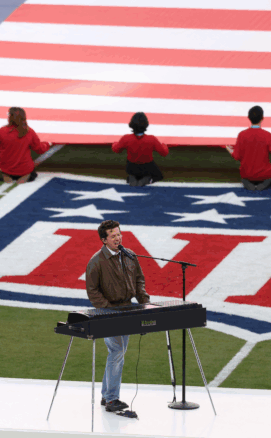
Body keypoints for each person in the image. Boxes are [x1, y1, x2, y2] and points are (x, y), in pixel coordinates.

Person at [86, 220, 150, 413]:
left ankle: (107, 396)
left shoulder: (129, 255)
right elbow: (92, 291)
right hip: (109, 312)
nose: (118, 238)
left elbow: (139, 279)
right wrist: (107, 310)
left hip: (127, 309)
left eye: (119, 234)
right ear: (104, 240)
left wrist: (144, 303)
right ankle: (112, 399)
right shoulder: (96, 261)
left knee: (118, 353)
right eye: (113, 236)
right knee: (116, 352)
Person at [226, 106, 271, 191]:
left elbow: (237, 156)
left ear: (248, 118)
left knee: (245, 179)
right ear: (262, 118)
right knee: (270, 178)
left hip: (247, 175)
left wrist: (230, 150)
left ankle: (249, 184)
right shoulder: (267, 135)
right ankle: (262, 185)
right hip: (265, 175)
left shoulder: (242, 135)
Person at [0, 107, 51, 184]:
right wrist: (48, 144)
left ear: (10, 117)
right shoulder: (29, 132)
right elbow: (39, 149)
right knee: (30, 173)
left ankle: (6, 175)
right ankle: (23, 176)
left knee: (5, 170)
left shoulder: (2, 131)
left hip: (6, 168)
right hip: (24, 169)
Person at [112, 112, 169, 186]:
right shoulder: (151, 139)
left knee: (133, 169)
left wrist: (115, 143)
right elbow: (164, 153)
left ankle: (132, 178)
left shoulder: (126, 138)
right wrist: (164, 145)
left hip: (131, 167)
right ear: (146, 125)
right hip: (147, 167)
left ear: (132, 125)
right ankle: (147, 179)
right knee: (159, 176)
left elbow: (116, 149)